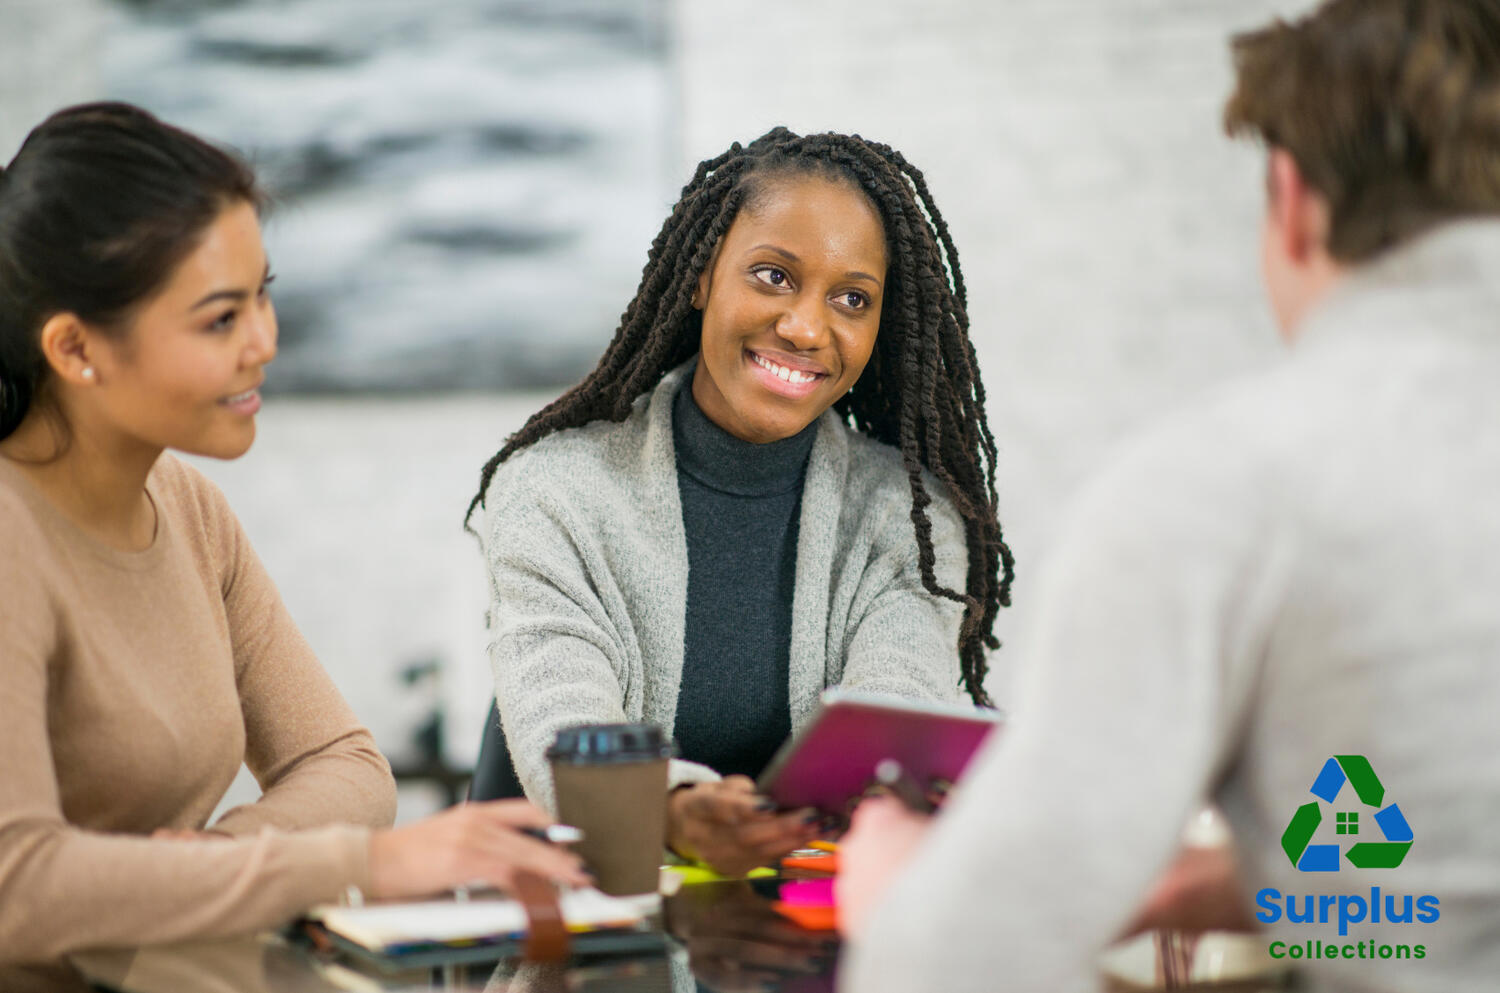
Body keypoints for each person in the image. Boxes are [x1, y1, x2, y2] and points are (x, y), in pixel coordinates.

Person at [837, 1, 1500, 990]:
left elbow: (947, 966)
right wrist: (1271, 884)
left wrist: (891, 888)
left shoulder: (1229, 489)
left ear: (1292, 196)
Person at [0, 103, 588, 989]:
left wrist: (206, 868)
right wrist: (353, 865)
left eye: (262, 295)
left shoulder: (190, 508)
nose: (265, 342)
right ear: (77, 347)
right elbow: (21, 887)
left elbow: (345, 765)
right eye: (220, 318)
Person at [467, 128, 1014, 875]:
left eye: (851, 298)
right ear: (701, 277)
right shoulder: (555, 490)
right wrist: (673, 815)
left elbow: (889, 735)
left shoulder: (907, 519)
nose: (806, 327)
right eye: (773, 276)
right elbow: (564, 724)